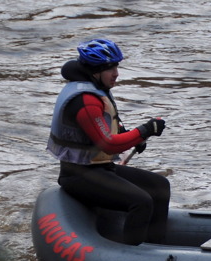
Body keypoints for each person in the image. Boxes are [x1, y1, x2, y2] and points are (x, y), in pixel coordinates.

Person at [47, 38, 170, 245]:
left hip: (100, 168)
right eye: (110, 68)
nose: (116, 73)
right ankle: (130, 257)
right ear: (95, 71)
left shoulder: (96, 89)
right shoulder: (85, 100)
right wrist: (143, 131)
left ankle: (156, 249)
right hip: (79, 175)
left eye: (116, 66)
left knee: (160, 186)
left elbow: (111, 127)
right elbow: (108, 143)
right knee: (141, 202)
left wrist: (134, 137)